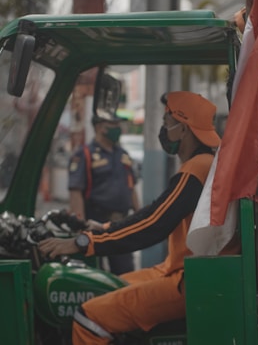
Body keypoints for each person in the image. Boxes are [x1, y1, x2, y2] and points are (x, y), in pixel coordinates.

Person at [39, 91, 240, 344]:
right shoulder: (205, 163)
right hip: (187, 272)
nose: (164, 130)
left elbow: (154, 224)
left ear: (184, 129)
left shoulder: (197, 168)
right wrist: (105, 228)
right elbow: (153, 213)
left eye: (168, 124)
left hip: (190, 281)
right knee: (111, 285)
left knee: (88, 317)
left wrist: (85, 242)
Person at [68, 112, 140, 275]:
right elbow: (76, 192)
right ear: (100, 127)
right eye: (114, 125)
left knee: (125, 273)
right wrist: (80, 225)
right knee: (94, 273)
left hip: (120, 223)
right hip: (94, 222)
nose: (118, 129)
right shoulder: (84, 155)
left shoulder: (123, 154)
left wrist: (139, 215)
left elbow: (131, 187)